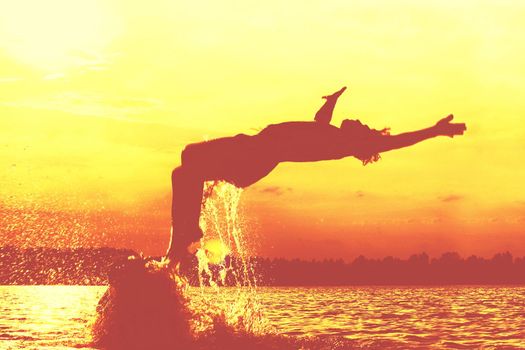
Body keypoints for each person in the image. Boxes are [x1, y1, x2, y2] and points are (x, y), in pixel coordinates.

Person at [166, 87, 466, 265]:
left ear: (363, 139)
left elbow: (397, 141)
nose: (358, 120)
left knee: (186, 169)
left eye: (362, 124)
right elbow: (320, 121)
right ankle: (183, 240)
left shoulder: (347, 143)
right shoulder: (332, 134)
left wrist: (435, 131)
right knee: (186, 161)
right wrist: (332, 100)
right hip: (252, 147)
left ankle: (185, 237)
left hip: (255, 156)